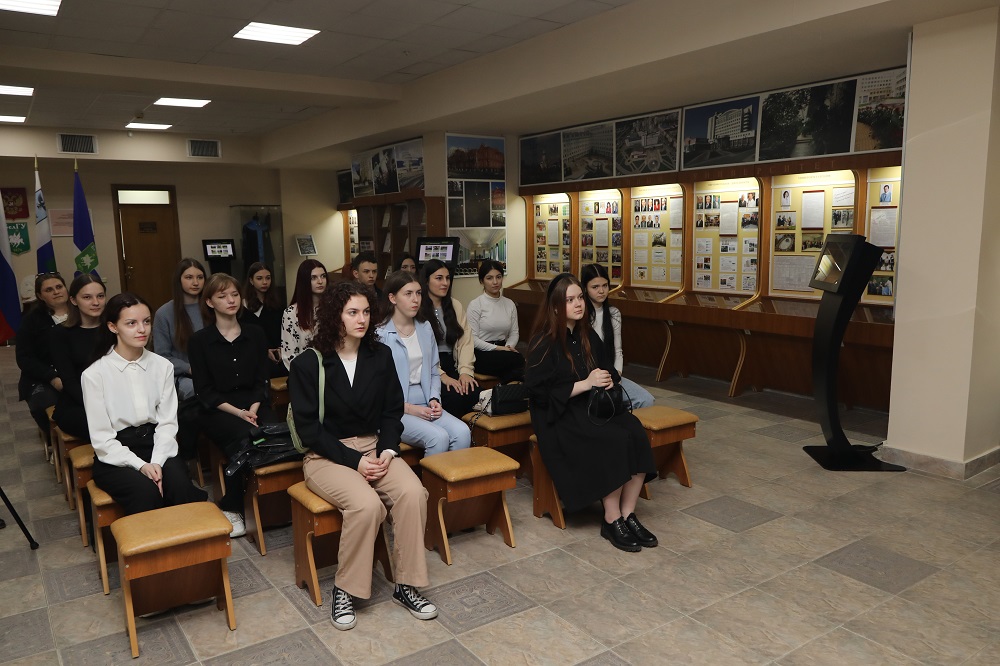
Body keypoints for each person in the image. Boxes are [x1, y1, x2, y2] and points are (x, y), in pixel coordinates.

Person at [289, 281, 437, 631]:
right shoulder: (308, 363)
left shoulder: (379, 355)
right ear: (334, 316)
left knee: (413, 492)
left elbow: (391, 412)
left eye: (366, 312)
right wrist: (355, 461)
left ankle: (406, 584)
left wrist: (387, 449)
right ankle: (345, 589)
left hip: (374, 446)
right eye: (352, 312)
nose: (361, 319)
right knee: (367, 505)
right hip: (325, 456)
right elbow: (309, 431)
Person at [525, 273, 658, 553]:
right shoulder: (543, 341)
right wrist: (586, 384)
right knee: (613, 439)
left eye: (579, 298)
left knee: (635, 432)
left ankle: (628, 514)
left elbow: (608, 368)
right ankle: (611, 519)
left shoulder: (587, 334)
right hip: (559, 416)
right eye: (569, 300)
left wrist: (608, 379)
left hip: (593, 406)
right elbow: (540, 395)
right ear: (556, 307)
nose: (578, 304)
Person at [82, 292, 207, 515]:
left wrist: (156, 462)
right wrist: (141, 465)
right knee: (146, 493)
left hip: (157, 444)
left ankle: (186, 538)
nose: (142, 329)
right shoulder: (95, 374)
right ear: (113, 327)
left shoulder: (162, 366)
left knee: (180, 487)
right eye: (131, 323)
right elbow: (102, 439)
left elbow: (167, 424)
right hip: (116, 453)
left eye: (147, 322)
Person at [189, 274, 275, 537]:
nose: (231, 300)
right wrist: (240, 413)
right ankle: (232, 506)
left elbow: (262, 380)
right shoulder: (200, 341)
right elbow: (205, 392)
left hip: (255, 404)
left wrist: (253, 409)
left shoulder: (255, 333)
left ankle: (273, 505)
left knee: (277, 436)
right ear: (210, 302)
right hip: (220, 408)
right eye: (222, 296)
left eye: (235, 294)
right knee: (244, 439)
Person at [376, 270, 471, 456]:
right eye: (408, 294)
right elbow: (376, 386)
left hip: (425, 399)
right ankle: (430, 477)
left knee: (462, 432)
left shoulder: (425, 327)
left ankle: (450, 476)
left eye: (418, 293)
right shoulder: (379, 334)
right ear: (392, 298)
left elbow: (434, 371)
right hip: (393, 408)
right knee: (438, 437)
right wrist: (410, 409)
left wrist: (435, 399)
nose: (415, 299)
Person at [580, 264, 655, 409]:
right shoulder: (579, 314)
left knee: (646, 400)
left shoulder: (613, 313)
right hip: (587, 376)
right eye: (595, 287)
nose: (601, 291)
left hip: (610, 375)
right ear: (585, 288)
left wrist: (617, 376)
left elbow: (618, 350)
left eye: (605, 285)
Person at [418, 260, 479, 417]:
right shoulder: (418, 308)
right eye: (439, 278)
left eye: (447, 278)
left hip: (453, 363)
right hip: (429, 368)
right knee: (453, 398)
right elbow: (419, 350)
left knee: (473, 392)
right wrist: (442, 376)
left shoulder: (455, 305)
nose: (445, 283)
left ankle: (471, 431)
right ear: (426, 281)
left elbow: (465, 341)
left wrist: (465, 372)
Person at [50, 274, 107, 440]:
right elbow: (69, 381)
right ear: (74, 300)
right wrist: (98, 406)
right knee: (104, 425)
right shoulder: (60, 334)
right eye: (87, 297)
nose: (96, 302)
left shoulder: (113, 328)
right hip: (78, 401)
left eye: (100, 296)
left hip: (113, 397)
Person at [16, 272, 69, 447]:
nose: (56, 292)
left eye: (59, 287)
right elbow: (24, 358)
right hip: (43, 377)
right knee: (44, 405)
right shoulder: (31, 321)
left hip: (76, 373)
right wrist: (52, 377)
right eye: (49, 290)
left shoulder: (81, 313)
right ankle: (56, 445)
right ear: (40, 296)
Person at [153, 258, 206, 401]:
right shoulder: (164, 313)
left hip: (213, 371)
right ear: (179, 280)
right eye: (189, 277)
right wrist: (189, 368)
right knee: (199, 391)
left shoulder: (212, 308)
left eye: (200, 277)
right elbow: (162, 356)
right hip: (182, 376)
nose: (195, 282)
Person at [466, 260, 525, 383]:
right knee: (518, 361)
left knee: (514, 363)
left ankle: (503, 391)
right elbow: (474, 340)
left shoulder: (509, 304)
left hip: (505, 351)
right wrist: (499, 349)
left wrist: (508, 347)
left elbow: (514, 333)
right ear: (482, 281)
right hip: (481, 353)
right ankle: (510, 389)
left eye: (498, 277)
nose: (495, 282)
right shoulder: (475, 305)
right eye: (489, 278)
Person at [242, 262, 286, 378]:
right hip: (255, 355)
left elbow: (283, 330)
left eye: (268, 278)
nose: (265, 282)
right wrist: (265, 351)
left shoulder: (278, 304)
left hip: (279, 353)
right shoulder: (243, 307)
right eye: (259, 278)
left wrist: (281, 348)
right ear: (251, 280)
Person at [281, 259, 327, 369]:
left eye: (323, 276)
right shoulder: (291, 313)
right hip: (304, 372)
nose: (320, 281)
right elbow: (288, 356)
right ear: (304, 281)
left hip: (331, 370)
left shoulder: (333, 307)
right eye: (313, 278)